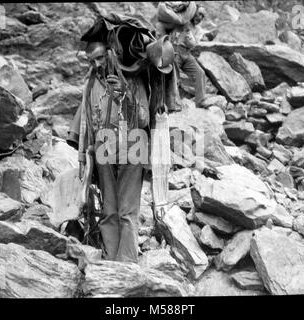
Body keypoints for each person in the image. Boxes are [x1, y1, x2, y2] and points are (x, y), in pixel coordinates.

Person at [67, 40, 150, 263]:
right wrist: (85, 153)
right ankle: (111, 263)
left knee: (127, 212)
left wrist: (125, 95)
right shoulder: (92, 84)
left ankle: (128, 265)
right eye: (92, 60)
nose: (96, 64)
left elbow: (143, 119)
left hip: (133, 147)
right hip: (103, 149)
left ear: (112, 54)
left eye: (100, 58)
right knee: (109, 211)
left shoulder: (133, 79)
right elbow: (84, 120)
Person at [156, 3, 208, 108]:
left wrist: (189, 36)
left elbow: (194, 44)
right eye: (199, 14)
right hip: (175, 52)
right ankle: (173, 103)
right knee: (175, 77)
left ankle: (200, 101)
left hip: (187, 54)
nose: (200, 18)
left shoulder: (197, 29)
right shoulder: (180, 21)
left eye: (203, 16)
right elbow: (160, 26)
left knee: (200, 73)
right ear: (193, 13)